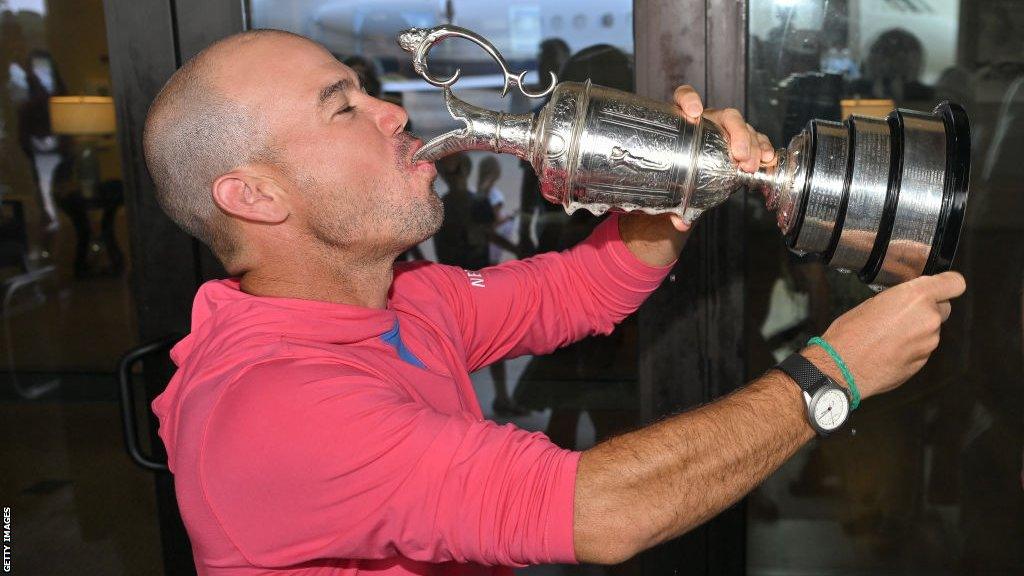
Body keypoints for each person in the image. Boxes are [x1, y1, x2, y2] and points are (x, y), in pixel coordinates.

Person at [142, 29, 966, 575]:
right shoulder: (273, 407)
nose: (392, 111)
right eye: (343, 108)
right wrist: (831, 376)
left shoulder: (397, 303)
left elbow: (581, 289)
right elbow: (601, 510)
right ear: (253, 196)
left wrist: (681, 183)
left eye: (367, 91)